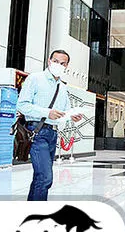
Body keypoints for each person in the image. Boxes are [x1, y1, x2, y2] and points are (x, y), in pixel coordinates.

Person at [17, 49, 83, 201]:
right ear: (49, 61)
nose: (58, 65)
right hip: (36, 131)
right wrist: (47, 113)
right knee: (45, 177)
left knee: (40, 177)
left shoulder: (62, 86)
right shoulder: (35, 78)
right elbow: (22, 105)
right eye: (56, 61)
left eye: (63, 63)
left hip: (52, 133)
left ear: (67, 66)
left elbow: (65, 111)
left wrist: (72, 116)